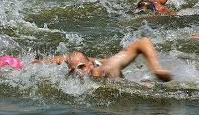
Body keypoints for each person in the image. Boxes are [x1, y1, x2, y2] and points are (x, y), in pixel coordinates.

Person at [33, 37, 172, 82]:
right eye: (73, 70)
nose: (78, 72)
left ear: (90, 64)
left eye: (81, 67)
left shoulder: (108, 68)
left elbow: (144, 41)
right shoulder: (76, 75)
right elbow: (61, 59)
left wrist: (156, 69)